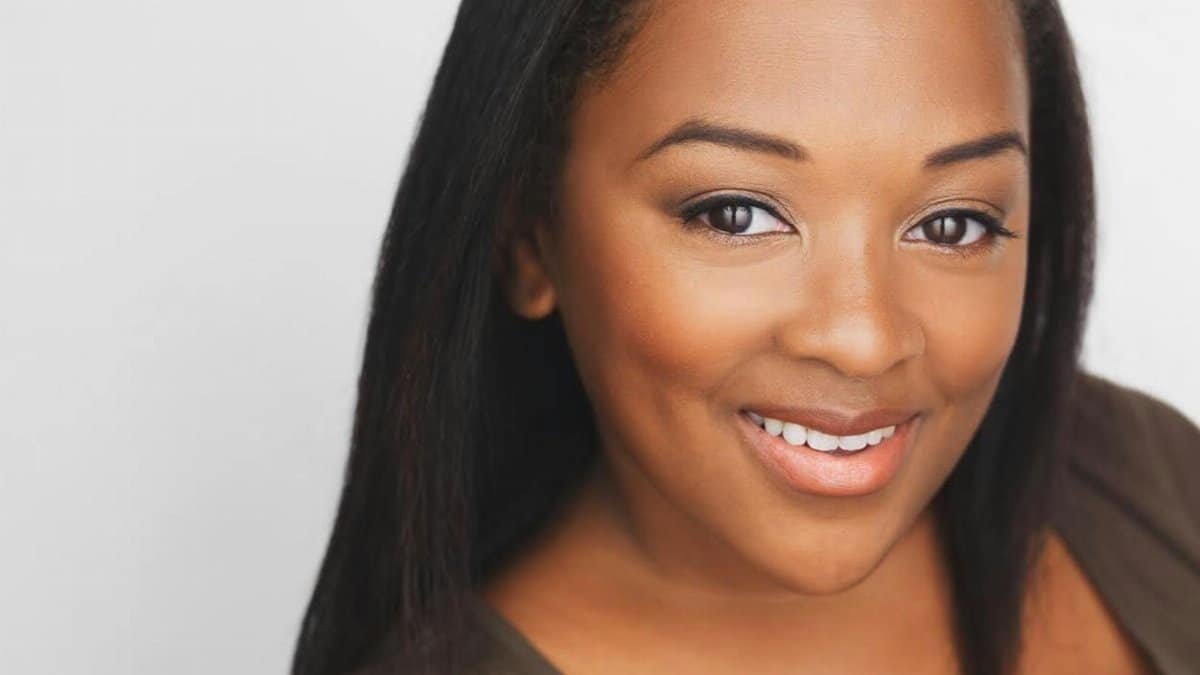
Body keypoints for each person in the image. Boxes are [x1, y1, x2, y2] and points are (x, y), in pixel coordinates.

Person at [292, 1, 1200, 673]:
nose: (862, 337)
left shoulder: (1140, 478)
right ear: (530, 234)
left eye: (954, 224)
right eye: (735, 213)